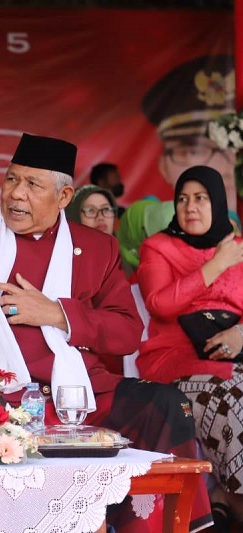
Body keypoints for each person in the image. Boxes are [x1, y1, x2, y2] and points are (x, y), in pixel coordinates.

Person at [0, 132, 210, 531]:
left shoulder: (97, 248)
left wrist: (57, 313)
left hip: (77, 392)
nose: (16, 194)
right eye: (11, 180)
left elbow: (126, 332)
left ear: (65, 197)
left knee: (167, 404)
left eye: (32, 185)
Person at [136, 165, 243, 527]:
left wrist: (239, 334)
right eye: (182, 199)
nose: (190, 207)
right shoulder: (158, 247)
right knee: (235, 401)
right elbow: (160, 303)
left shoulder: (238, 248)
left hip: (236, 358)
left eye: (201, 198)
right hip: (177, 364)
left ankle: (221, 499)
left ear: (218, 202)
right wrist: (215, 265)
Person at [142, 54, 236, 213]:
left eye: (237, 150)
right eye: (194, 151)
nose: (226, 170)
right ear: (164, 167)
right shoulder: (158, 237)